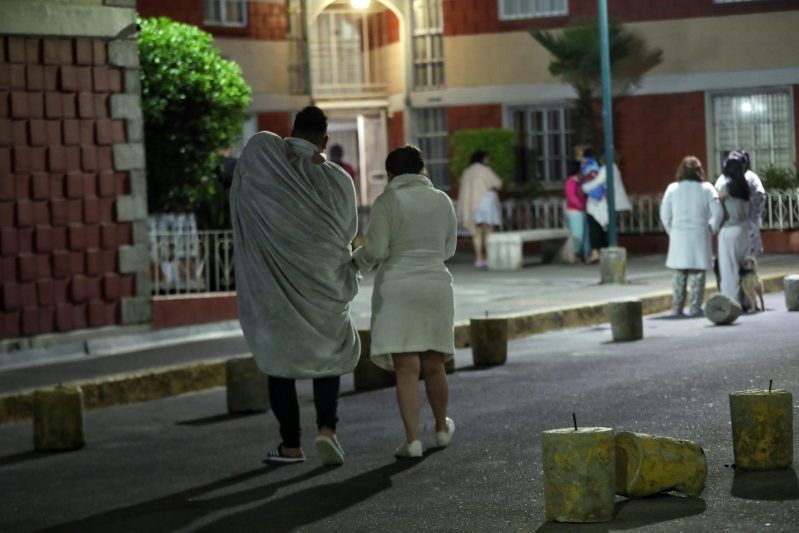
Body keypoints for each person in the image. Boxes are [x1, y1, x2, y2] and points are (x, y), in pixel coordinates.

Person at [230, 106, 360, 466]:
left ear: (292, 132)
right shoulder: (338, 179)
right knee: (328, 358)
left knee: (279, 362)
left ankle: (290, 445)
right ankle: (327, 431)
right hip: (324, 283)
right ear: (324, 140)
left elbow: (244, 199)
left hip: (275, 284)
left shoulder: (264, 173)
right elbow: (348, 232)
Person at [353, 145, 457, 458]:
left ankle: (412, 440)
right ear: (422, 168)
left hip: (397, 287)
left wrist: (353, 262)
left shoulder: (387, 201)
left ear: (391, 174)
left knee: (406, 368)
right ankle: (441, 428)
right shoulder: (442, 200)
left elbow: (374, 251)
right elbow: (449, 249)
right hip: (435, 286)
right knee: (434, 363)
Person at [659, 156, 724, 317]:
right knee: (697, 275)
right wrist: (711, 229)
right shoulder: (707, 188)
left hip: (678, 237)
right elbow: (718, 213)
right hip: (699, 236)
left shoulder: (672, 188)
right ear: (699, 171)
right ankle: (695, 307)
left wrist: (671, 231)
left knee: (679, 276)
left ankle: (677, 307)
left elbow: (664, 214)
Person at [581, 150, 632, 263]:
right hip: (613, 204)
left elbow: (598, 182)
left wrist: (584, 188)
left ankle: (604, 253)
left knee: (605, 230)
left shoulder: (607, 169)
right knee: (608, 229)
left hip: (610, 205)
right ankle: (604, 252)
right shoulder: (615, 169)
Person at [457, 150, 503, 268]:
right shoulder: (485, 170)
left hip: (473, 205)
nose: (487, 161)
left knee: (476, 233)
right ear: (482, 159)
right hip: (486, 202)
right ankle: (489, 258)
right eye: (486, 158)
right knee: (488, 230)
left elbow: (464, 191)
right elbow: (498, 183)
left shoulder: (467, 172)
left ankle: (479, 258)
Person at [716, 152, 752, 303]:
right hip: (745, 230)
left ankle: (732, 302)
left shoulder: (725, 187)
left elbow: (717, 206)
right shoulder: (746, 186)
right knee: (746, 268)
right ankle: (748, 301)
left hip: (729, 231)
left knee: (729, 270)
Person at [715, 149, 765, 257]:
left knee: (731, 266)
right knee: (748, 265)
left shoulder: (723, 181)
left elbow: (716, 204)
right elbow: (759, 201)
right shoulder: (752, 179)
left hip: (729, 229)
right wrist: (752, 221)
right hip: (747, 228)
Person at [564, 159, 589, 263]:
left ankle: (583, 254)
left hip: (581, 210)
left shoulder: (579, 182)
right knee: (577, 234)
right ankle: (575, 254)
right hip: (575, 211)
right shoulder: (571, 182)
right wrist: (581, 205)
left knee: (583, 234)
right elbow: (571, 197)